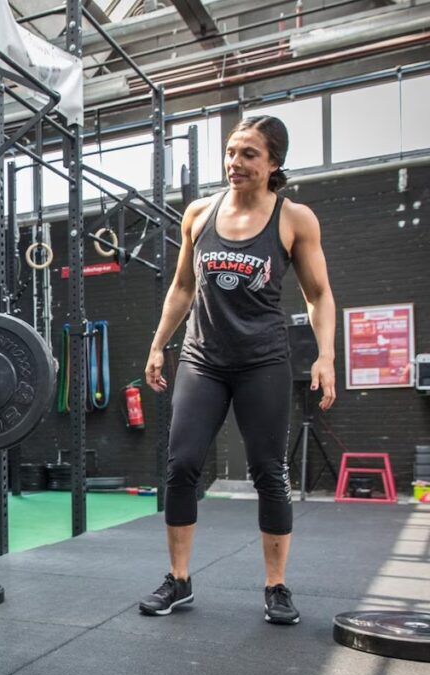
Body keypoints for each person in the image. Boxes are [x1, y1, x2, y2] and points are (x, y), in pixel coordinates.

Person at [139, 115, 336, 625]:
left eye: (249, 154)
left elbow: (318, 295)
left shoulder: (294, 219)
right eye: (231, 151)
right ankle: (178, 579)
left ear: (274, 163)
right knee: (181, 465)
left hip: (263, 361)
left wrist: (326, 354)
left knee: (269, 472)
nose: (235, 163)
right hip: (203, 359)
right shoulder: (199, 215)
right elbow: (183, 287)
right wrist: (159, 344)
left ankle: (276, 586)